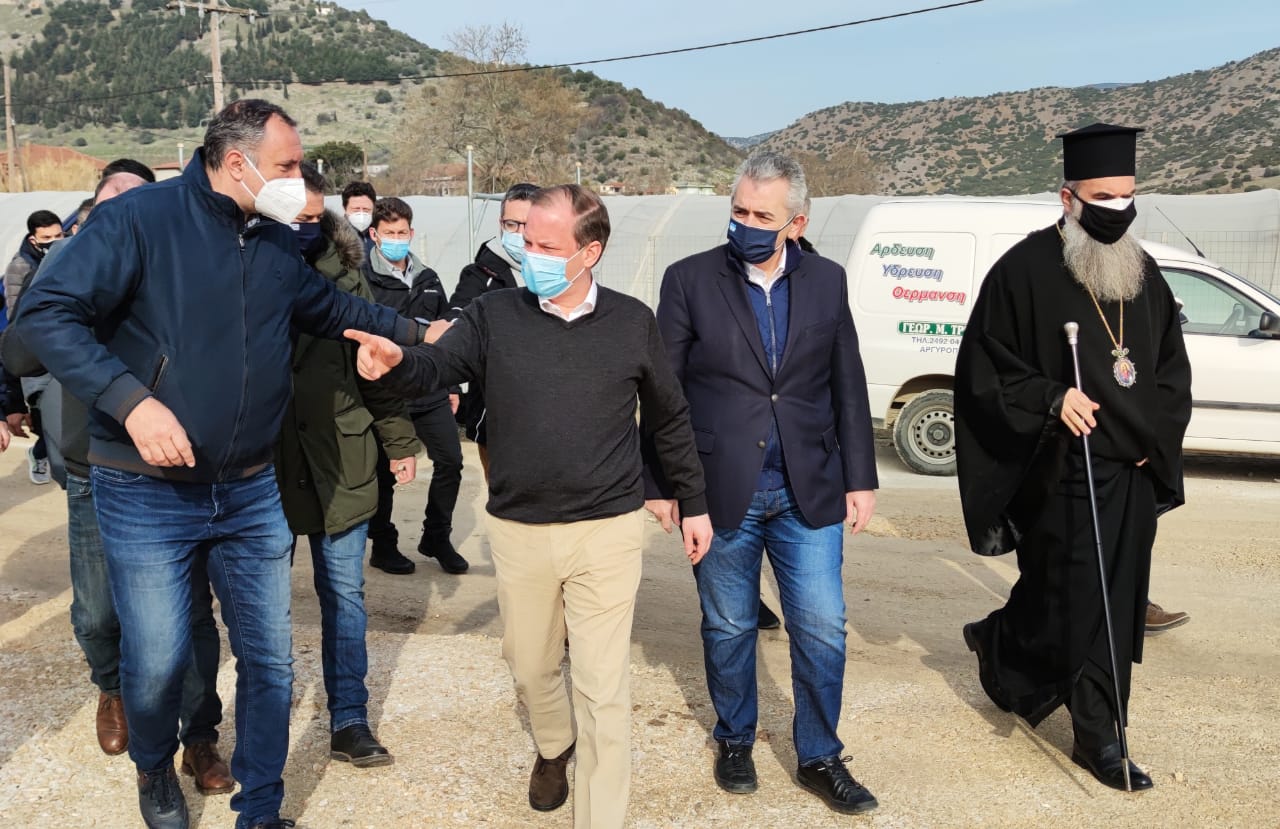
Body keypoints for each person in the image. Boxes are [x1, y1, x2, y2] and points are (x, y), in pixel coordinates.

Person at [16, 99, 431, 829]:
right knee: (157, 662)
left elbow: (327, 306)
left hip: (248, 487)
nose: (298, 178)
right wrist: (131, 402)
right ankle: (155, 766)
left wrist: (418, 333)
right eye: (287, 164)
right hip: (145, 489)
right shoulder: (137, 220)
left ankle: (261, 809)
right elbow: (45, 315)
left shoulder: (271, 238)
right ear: (236, 163)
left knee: (270, 661)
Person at [345, 184, 714, 829]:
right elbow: (437, 365)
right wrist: (397, 363)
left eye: (546, 245)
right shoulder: (494, 313)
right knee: (531, 665)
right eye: (525, 240)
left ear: (589, 252)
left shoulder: (632, 322)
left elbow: (669, 416)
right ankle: (553, 744)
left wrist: (694, 501)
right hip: (519, 528)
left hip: (607, 527)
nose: (529, 253)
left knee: (603, 687)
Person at [955, 123, 1192, 793]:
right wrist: (1052, 396)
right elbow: (983, 371)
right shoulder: (1023, 270)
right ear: (1068, 197)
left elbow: (1170, 371)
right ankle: (1011, 646)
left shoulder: (1145, 274)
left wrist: (1154, 441)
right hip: (1063, 470)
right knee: (1066, 598)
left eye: (1127, 195)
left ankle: (1098, 731)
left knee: (1116, 603)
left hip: (1131, 471)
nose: (1118, 209)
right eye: (1103, 197)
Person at [645, 151, 880, 815]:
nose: (746, 224)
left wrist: (860, 477)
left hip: (810, 487)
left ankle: (820, 755)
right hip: (721, 487)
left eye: (762, 216)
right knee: (729, 625)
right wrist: (661, 483)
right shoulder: (690, 280)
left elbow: (847, 381)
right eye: (739, 211)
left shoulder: (827, 281)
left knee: (823, 625)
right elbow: (663, 391)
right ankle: (735, 738)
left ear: (796, 222)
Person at [2, 162, 233, 793]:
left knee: (190, 614)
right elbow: (18, 354)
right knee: (99, 610)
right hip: (92, 466)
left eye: (138, 202)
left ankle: (199, 736)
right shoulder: (68, 271)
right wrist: (63, 269)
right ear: (89, 218)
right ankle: (112, 687)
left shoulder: (178, 268)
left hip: (175, 468)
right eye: (111, 203)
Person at [276, 162, 422, 767]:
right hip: (268, 461)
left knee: (344, 593)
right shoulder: (240, 269)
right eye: (294, 218)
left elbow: (374, 365)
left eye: (315, 219)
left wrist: (398, 441)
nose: (305, 229)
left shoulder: (348, 275)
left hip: (342, 452)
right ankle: (266, 721)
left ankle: (349, 719)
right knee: (264, 602)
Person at [361, 197, 467, 575]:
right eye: (389, 233)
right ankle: (383, 544)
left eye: (402, 232)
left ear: (412, 232)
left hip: (430, 390)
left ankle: (436, 536)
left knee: (451, 461)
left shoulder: (429, 279)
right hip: (387, 393)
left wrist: (451, 386)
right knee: (384, 473)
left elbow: (445, 336)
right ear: (374, 235)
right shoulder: (363, 279)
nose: (396, 239)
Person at [446, 181, 537, 482]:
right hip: (497, 408)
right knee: (505, 492)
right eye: (512, 224)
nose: (519, 232)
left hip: (550, 407)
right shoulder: (480, 275)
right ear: (501, 223)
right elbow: (457, 317)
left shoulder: (559, 271)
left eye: (527, 224)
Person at [4, 208, 64, 485]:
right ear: (33, 239)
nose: (54, 242)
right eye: (46, 238)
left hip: (59, 356)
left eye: (58, 235)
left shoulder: (69, 258)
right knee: (45, 421)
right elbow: (16, 320)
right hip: (36, 356)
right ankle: (40, 454)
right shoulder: (21, 268)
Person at [342, 180, 377, 251]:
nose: (361, 214)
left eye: (366, 210)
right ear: (345, 208)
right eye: (356, 210)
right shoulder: (334, 236)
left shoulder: (381, 233)